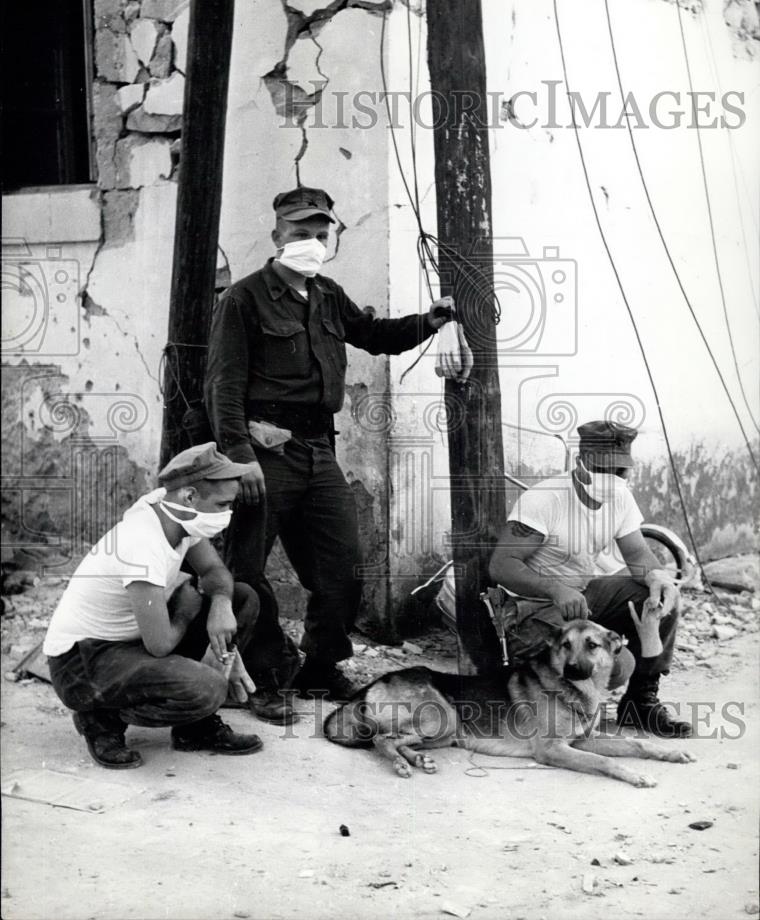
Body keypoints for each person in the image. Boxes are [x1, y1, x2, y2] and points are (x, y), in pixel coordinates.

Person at [204, 186, 454, 711]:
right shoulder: (244, 299)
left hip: (319, 449)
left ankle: (318, 668)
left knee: (342, 569)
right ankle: (267, 680)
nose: (312, 243)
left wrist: (428, 322)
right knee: (248, 570)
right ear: (277, 237)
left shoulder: (328, 295)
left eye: (321, 234)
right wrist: (241, 456)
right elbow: (222, 386)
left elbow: (376, 335)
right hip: (264, 451)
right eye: (300, 234)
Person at [43, 443, 264, 769]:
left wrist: (219, 604)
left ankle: (194, 730)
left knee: (241, 598)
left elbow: (215, 572)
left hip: (125, 644)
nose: (228, 515)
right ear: (189, 497)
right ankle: (100, 719)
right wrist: (187, 613)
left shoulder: (176, 516)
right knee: (208, 687)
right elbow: (159, 644)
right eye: (223, 505)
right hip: (82, 661)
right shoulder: (142, 541)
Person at [488, 419, 693, 738]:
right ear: (580, 464)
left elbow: (638, 556)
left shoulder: (621, 498)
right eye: (603, 470)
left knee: (663, 595)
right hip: (532, 611)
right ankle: (558, 715)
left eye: (621, 472)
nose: (613, 480)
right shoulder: (546, 499)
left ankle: (640, 704)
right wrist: (555, 589)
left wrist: (656, 578)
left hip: (582, 598)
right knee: (619, 664)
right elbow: (502, 566)